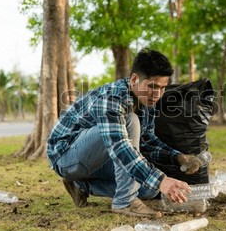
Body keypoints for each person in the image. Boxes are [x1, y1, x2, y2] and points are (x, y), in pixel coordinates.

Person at [46, 48, 203, 218]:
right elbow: (120, 147)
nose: (157, 94)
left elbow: (147, 141)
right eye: (152, 86)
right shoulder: (111, 99)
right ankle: (125, 202)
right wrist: (162, 180)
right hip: (66, 156)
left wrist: (178, 157)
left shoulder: (147, 102)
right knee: (131, 120)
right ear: (134, 79)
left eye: (162, 88)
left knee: (149, 188)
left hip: (96, 159)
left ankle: (81, 186)